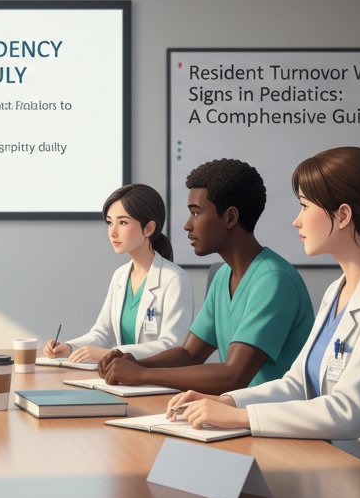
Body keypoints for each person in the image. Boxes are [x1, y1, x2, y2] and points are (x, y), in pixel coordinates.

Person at [165, 147, 360, 498]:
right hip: (340, 474)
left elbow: (347, 413)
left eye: (305, 206)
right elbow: (297, 384)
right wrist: (225, 400)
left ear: (343, 215)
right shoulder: (338, 290)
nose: (296, 221)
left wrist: (239, 418)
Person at [100, 159, 314, 393]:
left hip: (274, 420)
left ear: (230, 218)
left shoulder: (273, 280)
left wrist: (142, 374)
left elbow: (234, 375)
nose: (187, 225)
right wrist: (134, 362)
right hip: (239, 413)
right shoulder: (223, 275)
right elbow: (190, 353)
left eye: (195, 213)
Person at [44, 184, 193, 364]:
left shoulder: (175, 279)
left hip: (157, 379)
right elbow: (103, 334)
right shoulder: (120, 276)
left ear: (148, 228)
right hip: (123, 378)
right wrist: (69, 347)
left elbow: (171, 346)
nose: (112, 232)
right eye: (110, 222)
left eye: (123, 222)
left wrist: (112, 353)